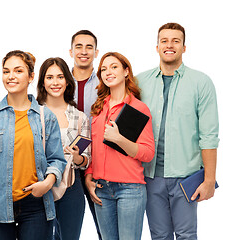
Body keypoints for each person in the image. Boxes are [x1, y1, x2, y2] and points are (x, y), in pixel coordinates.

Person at [0, 50, 66, 240]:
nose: (11, 76)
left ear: (31, 76)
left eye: (18, 71)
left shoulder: (46, 117)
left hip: (36, 206)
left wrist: (46, 184)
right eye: (6, 71)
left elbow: (57, 160)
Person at [136, 22, 219, 240]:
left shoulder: (201, 82)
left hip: (186, 176)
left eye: (176, 41)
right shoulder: (139, 82)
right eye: (164, 41)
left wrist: (209, 180)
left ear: (184, 46)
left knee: (186, 235)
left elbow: (209, 135)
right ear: (157, 47)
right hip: (150, 175)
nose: (169, 45)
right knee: (159, 236)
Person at [85, 52, 155, 240]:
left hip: (129, 189)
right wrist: (88, 177)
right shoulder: (98, 109)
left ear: (126, 71)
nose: (108, 71)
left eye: (114, 67)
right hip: (101, 189)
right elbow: (93, 149)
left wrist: (119, 139)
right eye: (104, 69)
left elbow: (148, 153)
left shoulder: (138, 108)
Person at [36, 57, 91, 240]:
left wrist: (77, 158)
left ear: (67, 81)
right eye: (49, 77)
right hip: (40, 185)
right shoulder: (33, 113)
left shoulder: (80, 117)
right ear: (43, 82)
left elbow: (86, 160)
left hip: (71, 185)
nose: (55, 82)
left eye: (60, 77)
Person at [69, 29, 101, 239]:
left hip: (97, 164)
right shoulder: (58, 82)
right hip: (65, 165)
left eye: (89, 47)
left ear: (96, 52)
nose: (84, 51)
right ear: (70, 51)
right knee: (64, 231)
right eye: (79, 46)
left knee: (104, 227)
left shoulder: (104, 84)